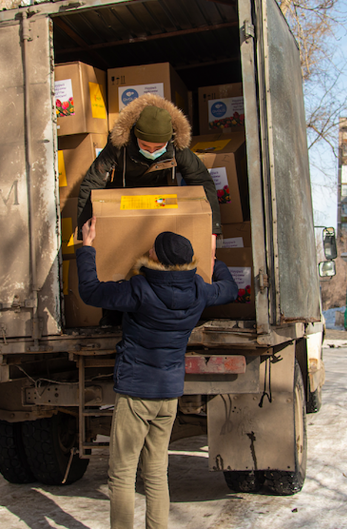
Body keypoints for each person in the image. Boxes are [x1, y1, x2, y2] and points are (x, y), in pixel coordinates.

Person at [76, 217, 237, 529]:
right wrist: (215, 261)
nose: (147, 248)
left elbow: (91, 292)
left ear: (158, 259)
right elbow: (229, 290)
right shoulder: (199, 291)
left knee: (122, 474)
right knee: (156, 473)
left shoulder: (140, 290)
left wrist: (87, 247)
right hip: (168, 395)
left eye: (153, 248)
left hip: (137, 393)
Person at [77, 94, 222, 249]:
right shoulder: (120, 145)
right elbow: (92, 182)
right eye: (145, 146)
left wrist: (212, 231)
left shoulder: (176, 147)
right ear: (135, 136)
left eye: (158, 147)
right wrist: (84, 234)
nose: (152, 151)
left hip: (158, 198)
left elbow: (202, 181)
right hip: (124, 197)